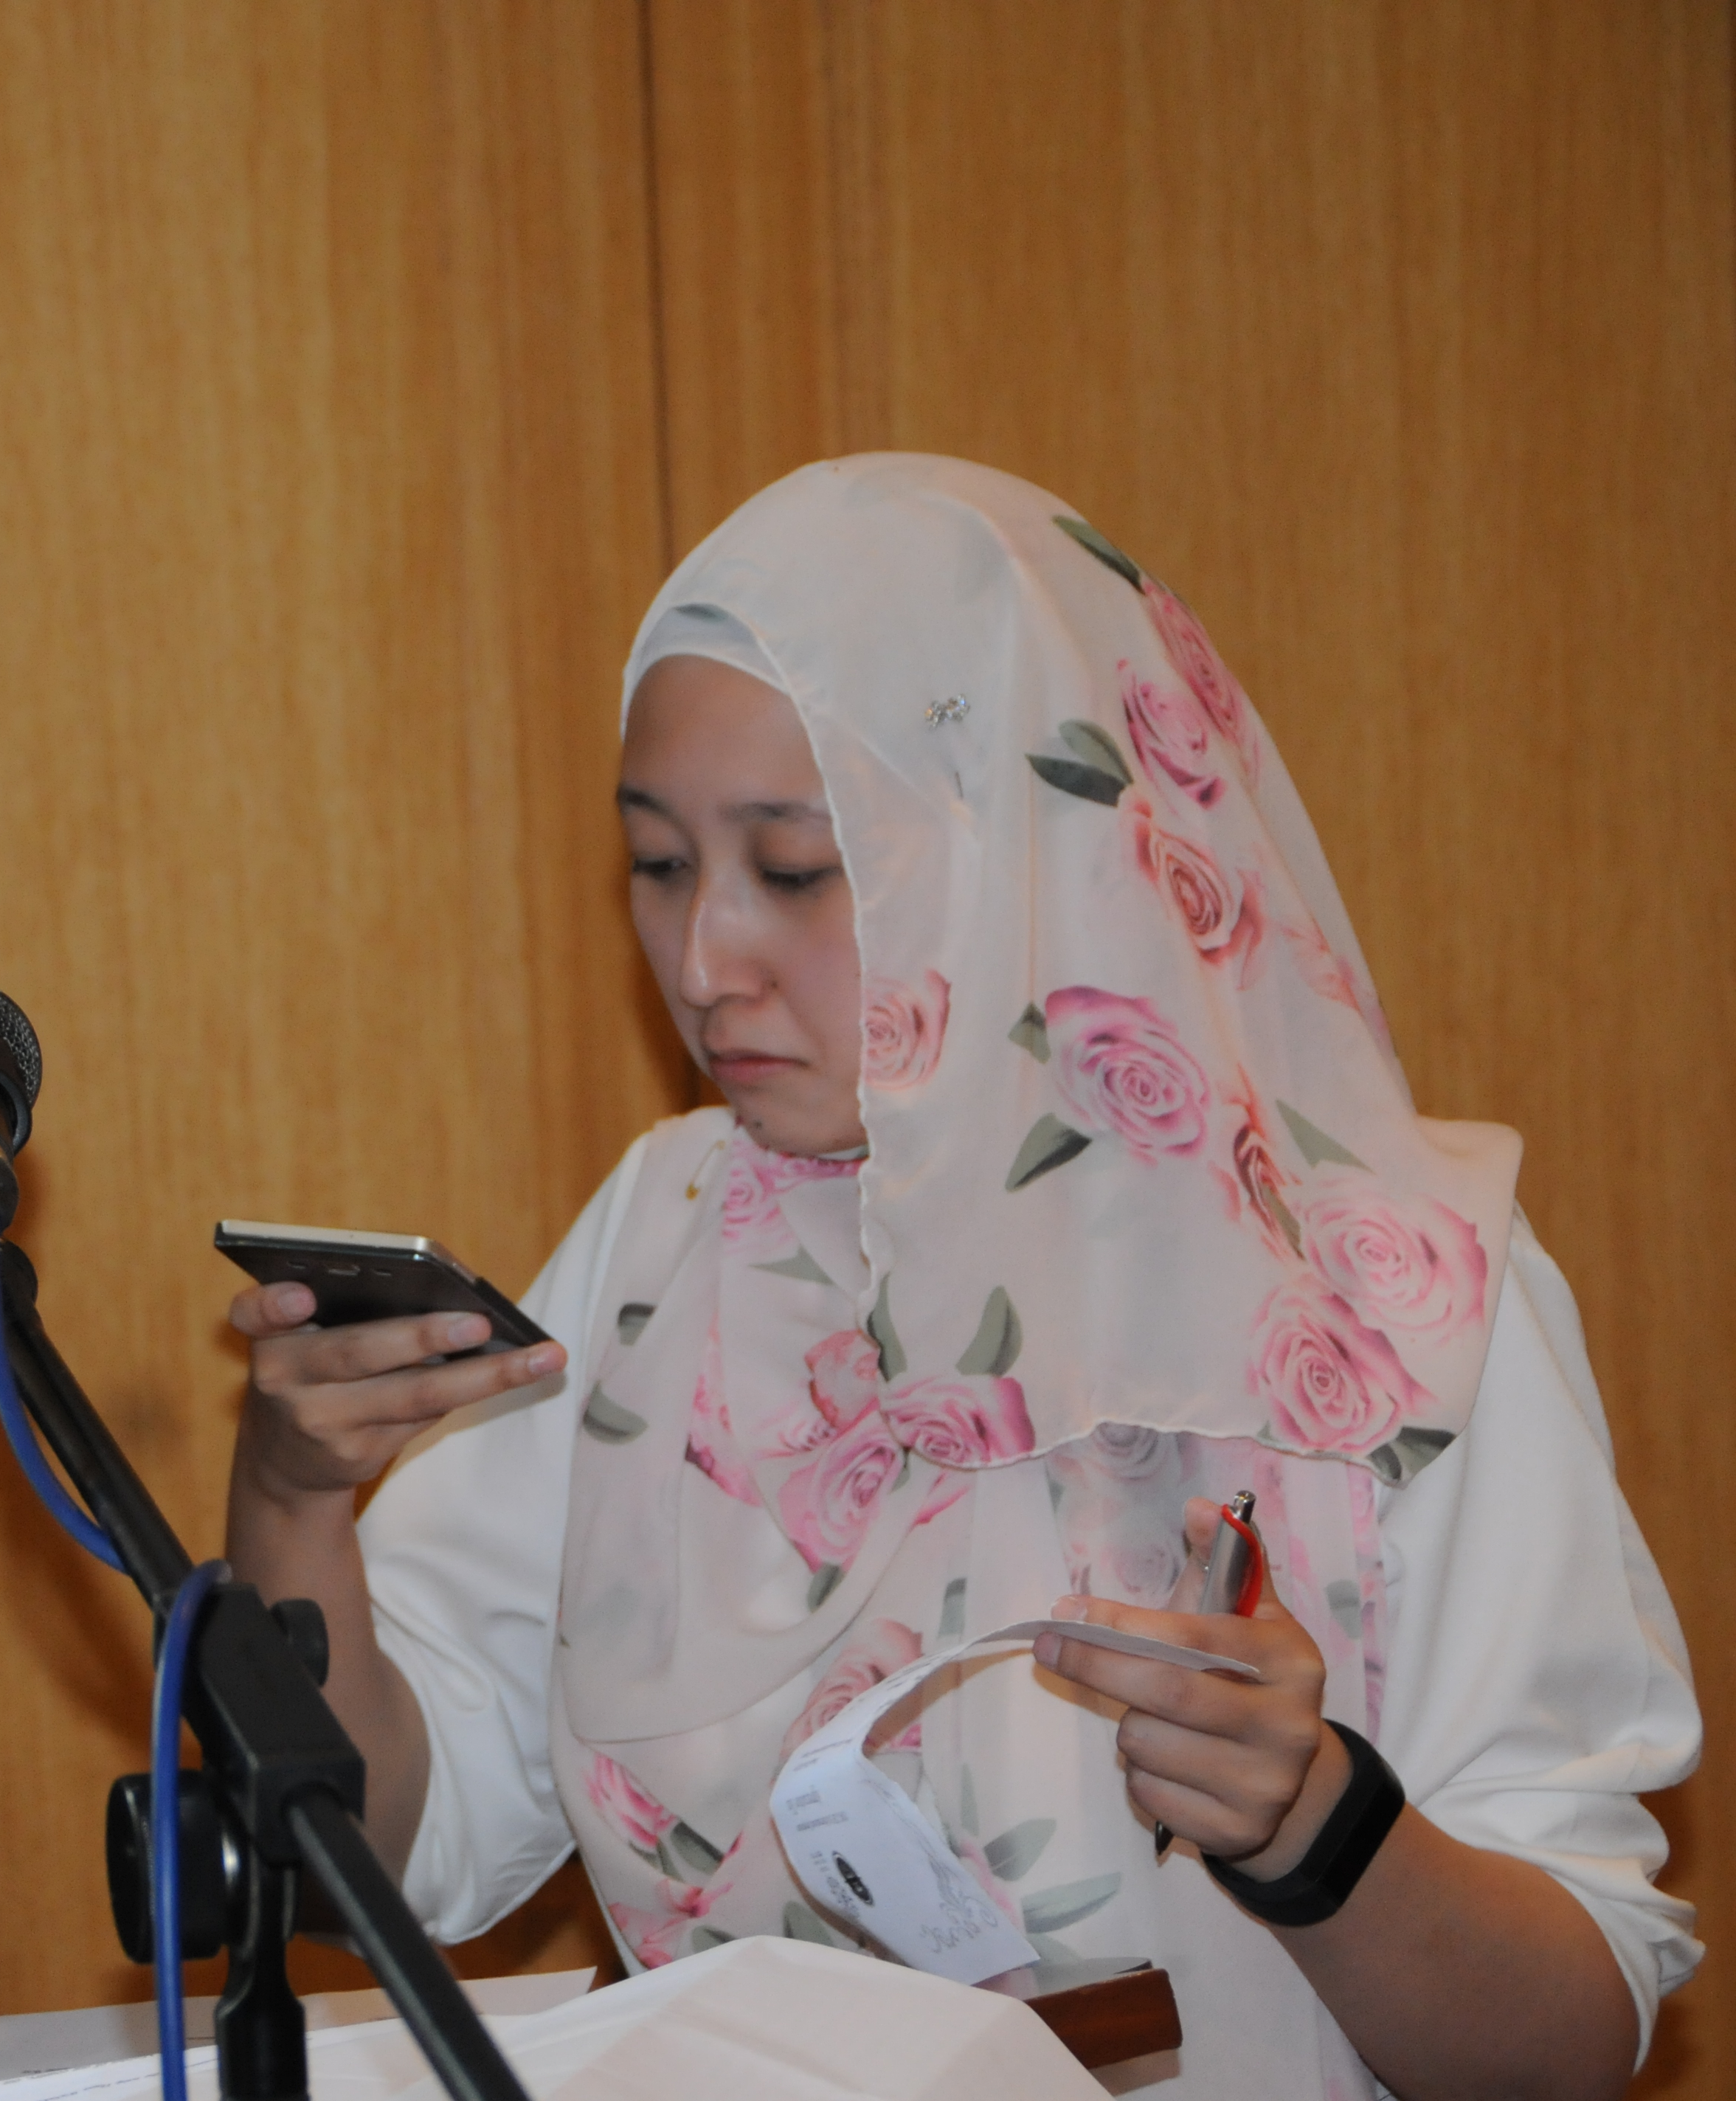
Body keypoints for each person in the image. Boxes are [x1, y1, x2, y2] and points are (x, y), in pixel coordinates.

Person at [224, 456, 1698, 2099]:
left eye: (796, 867)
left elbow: (1569, 2044)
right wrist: (292, 1501)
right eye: (657, 862)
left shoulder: (1397, 1289)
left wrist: (1318, 1829)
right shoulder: (665, 1231)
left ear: (1027, 844)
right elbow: (385, 1847)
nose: (704, 961)